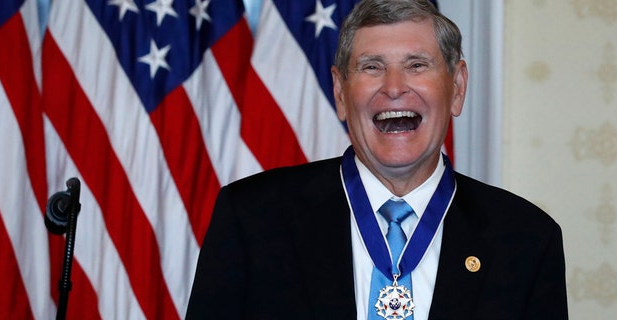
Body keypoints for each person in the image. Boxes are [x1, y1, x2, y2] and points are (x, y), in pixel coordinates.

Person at [185, 0, 568, 319]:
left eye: (417, 65)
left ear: (457, 88)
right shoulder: (251, 218)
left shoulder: (527, 238)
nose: (394, 87)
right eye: (372, 67)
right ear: (339, 91)